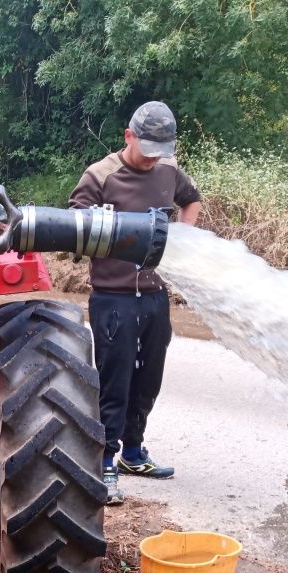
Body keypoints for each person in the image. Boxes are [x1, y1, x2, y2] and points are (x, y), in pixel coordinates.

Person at [69, 100, 201, 506]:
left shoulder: (168, 170)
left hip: (155, 296)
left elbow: (191, 200)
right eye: (146, 149)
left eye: (160, 151)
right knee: (116, 380)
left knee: (150, 378)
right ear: (128, 136)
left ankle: (134, 452)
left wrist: (178, 242)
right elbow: (73, 225)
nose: (152, 159)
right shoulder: (100, 176)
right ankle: (104, 461)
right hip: (113, 297)